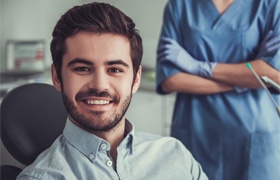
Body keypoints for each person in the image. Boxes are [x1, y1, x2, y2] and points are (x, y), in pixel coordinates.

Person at [16, 2, 208, 180]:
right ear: (57, 77)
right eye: (82, 68)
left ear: (136, 79)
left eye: (115, 70)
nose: (100, 85)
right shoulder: (41, 177)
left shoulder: (176, 154)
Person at [156, 0, 280, 180]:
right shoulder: (179, 6)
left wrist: (198, 67)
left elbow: (274, 74)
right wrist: (246, 78)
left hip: (255, 137)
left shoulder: (270, 4)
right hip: (196, 132)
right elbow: (170, 80)